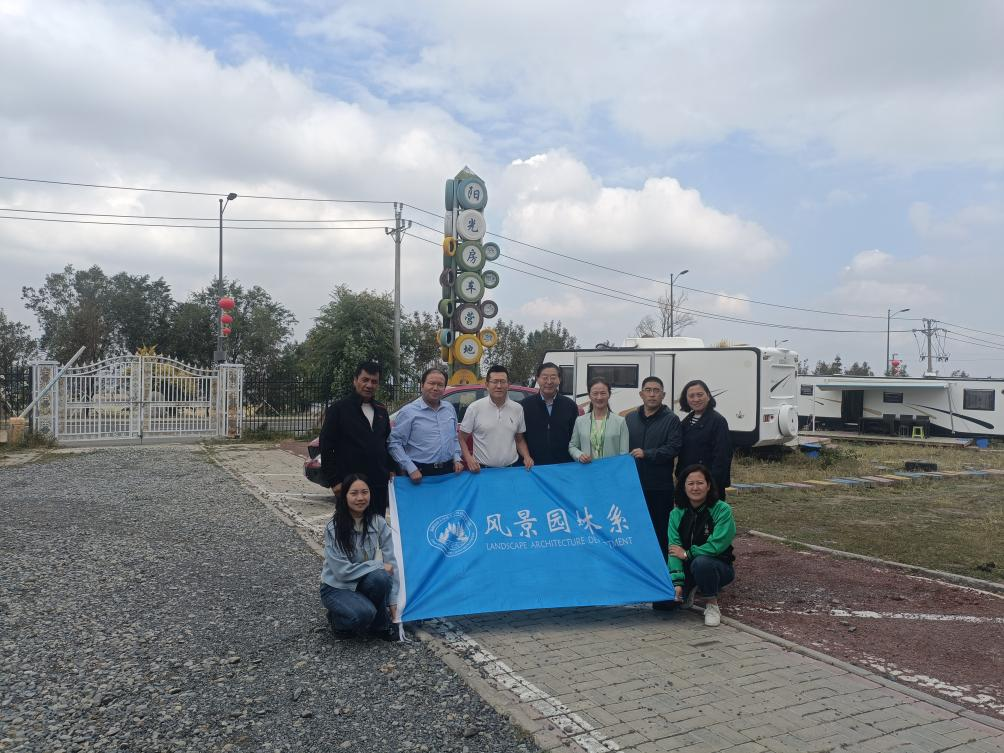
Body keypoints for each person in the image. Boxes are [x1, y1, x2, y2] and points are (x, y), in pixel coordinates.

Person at [319, 474, 399, 640]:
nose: (360, 498)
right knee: (364, 614)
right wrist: (378, 565)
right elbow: (342, 572)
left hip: (362, 583)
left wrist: (393, 602)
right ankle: (337, 620)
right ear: (344, 496)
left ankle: (380, 625)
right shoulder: (333, 528)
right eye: (354, 493)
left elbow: (392, 562)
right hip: (336, 587)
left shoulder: (378, 522)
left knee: (381, 577)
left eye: (365, 492)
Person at [319, 361, 396, 515]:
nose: (369, 385)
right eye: (365, 380)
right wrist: (334, 481)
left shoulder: (381, 410)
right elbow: (326, 446)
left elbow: (386, 443)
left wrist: (391, 469)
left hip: (378, 485)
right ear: (355, 380)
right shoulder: (339, 409)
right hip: (351, 485)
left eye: (374, 381)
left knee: (377, 526)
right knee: (350, 527)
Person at [667, 463, 736, 627]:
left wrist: (687, 554)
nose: (695, 488)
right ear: (683, 487)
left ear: (708, 485)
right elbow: (674, 548)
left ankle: (712, 605)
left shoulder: (722, 510)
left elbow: (716, 545)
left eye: (700, 483)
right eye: (690, 483)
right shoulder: (676, 513)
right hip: (687, 566)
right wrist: (677, 582)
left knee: (702, 563)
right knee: (664, 604)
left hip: (717, 566)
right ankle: (688, 588)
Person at [625, 376, 682, 562]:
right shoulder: (630, 418)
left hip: (659, 487)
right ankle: (639, 566)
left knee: (660, 530)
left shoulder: (671, 420)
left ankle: (662, 568)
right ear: (641, 394)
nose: (652, 394)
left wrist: (647, 454)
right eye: (648, 390)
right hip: (633, 487)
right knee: (635, 529)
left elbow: (674, 448)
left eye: (656, 391)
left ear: (663, 395)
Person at [388, 367, 464, 483]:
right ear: (422, 385)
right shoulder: (408, 412)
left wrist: (457, 458)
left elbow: (453, 437)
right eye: (431, 383)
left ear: (444, 388)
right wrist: (410, 467)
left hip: (448, 471)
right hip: (419, 473)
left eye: (440, 385)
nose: (435, 388)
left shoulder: (449, 409)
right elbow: (394, 443)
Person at [459, 365, 534, 472]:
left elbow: (519, 439)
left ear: (508, 385)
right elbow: (462, 438)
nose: (499, 386)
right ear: (487, 385)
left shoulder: (517, 409)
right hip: (482, 470)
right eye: (494, 382)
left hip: (511, 469)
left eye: (503, 382)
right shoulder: (474, 408)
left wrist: (527, 456)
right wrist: (468, 459)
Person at [676, 379, 733, 498]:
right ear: (686, 399)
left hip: (708, 484)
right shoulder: (686, 422)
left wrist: (712, 484)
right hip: (688, 482)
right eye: (691, 396)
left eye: (700, 395)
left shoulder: (718, 421)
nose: (696, 399)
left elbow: (722, 456)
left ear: (708, 396)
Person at [522, 362, 578, 465]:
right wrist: (526, 457)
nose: (549, 382)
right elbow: (520, 437)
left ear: (559, 379)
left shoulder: (570, 405)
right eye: (544, 378)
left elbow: (574, 437)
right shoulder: (525, 405)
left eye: (553, 378)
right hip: (533, 466)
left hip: (563, 465)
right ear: (537, 379)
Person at [568, 376, 629, 462]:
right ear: (589, 395)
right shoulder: (580, 421)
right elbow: (572, 446)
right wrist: (579, 455)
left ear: (609, 395)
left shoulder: (620, 422)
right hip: (588, 468)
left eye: (603, 393)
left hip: (611, 469)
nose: (599, 397)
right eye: (595, 393)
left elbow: (624, 453)